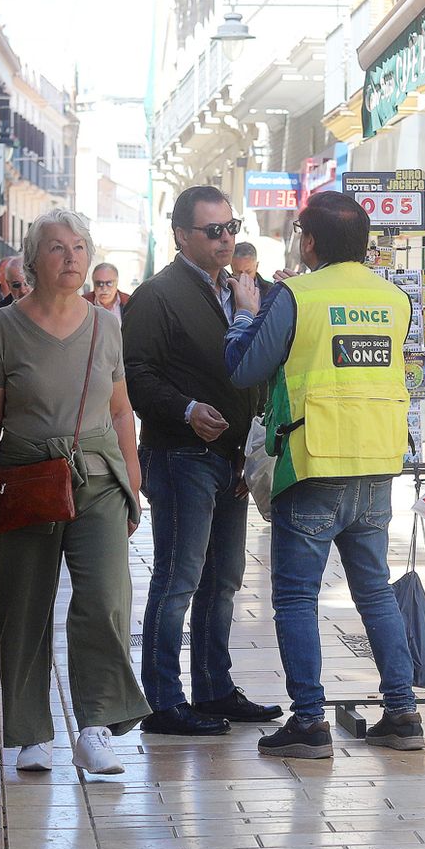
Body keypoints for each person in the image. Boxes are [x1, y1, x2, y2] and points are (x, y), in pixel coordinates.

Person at [225, 192, 420, 759]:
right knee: (375, 592)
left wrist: (245, 313)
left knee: (294, 597)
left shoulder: (296, 294)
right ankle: (402, 713)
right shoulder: (393, 297)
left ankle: (310, 721)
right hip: (376, 465)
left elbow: (245, 369)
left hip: (312, 463)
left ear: (308, 242)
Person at [0, 209, 149, 775]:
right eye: (58, 248)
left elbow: (120, 409)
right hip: (26, 477)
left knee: (105, 599)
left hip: (99, 477)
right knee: (25, 604)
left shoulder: (107, 324)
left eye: (79, 247)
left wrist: (132, 481)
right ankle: (30, 732)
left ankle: (95, 725)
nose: (71, 257)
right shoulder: (3, 329)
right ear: (32, 260)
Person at [123, 185, 281, 736]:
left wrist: (252, 441)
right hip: (181, 454)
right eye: (213, 231)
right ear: (181, 236)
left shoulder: (242, 289)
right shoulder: (156, 295)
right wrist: (186, 409)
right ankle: (164, 700)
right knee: (178, 577)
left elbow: (255, 365)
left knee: (224, 579)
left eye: (231, 227)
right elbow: (136, 377)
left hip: (232, 456)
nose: (225, 239)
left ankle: (214, 687)